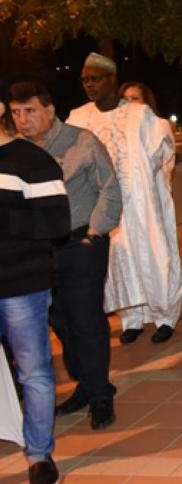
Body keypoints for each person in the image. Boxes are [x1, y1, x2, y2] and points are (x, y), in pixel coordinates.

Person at [9, 82, 122, 430]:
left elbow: (111, 188)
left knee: (86, 320)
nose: (22, 120)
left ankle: (102, 395)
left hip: (82, 244)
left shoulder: (81, 141)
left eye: (29, 111)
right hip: (40, 252)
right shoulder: (17, 152)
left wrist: (95, 231)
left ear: (49, 109)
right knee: (60, 322)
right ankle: (85, 386)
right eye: (15, 112)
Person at [67, 56, 182, 345]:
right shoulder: (78, 117)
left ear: (113, 80)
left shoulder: (139, 113)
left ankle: (163, 315)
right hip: (101, 204)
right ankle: (130, 318)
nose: (89, 85)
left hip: (138, 200)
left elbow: (162, 148)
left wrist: (141, 180)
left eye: (95, 78)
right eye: (85, 80)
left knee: (151, 253)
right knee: (115, 260)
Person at [0, 94, 71, 484]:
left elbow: (57, 222)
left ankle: (39, 455)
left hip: (21, 284)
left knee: (34, 373)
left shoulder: (30, 160)